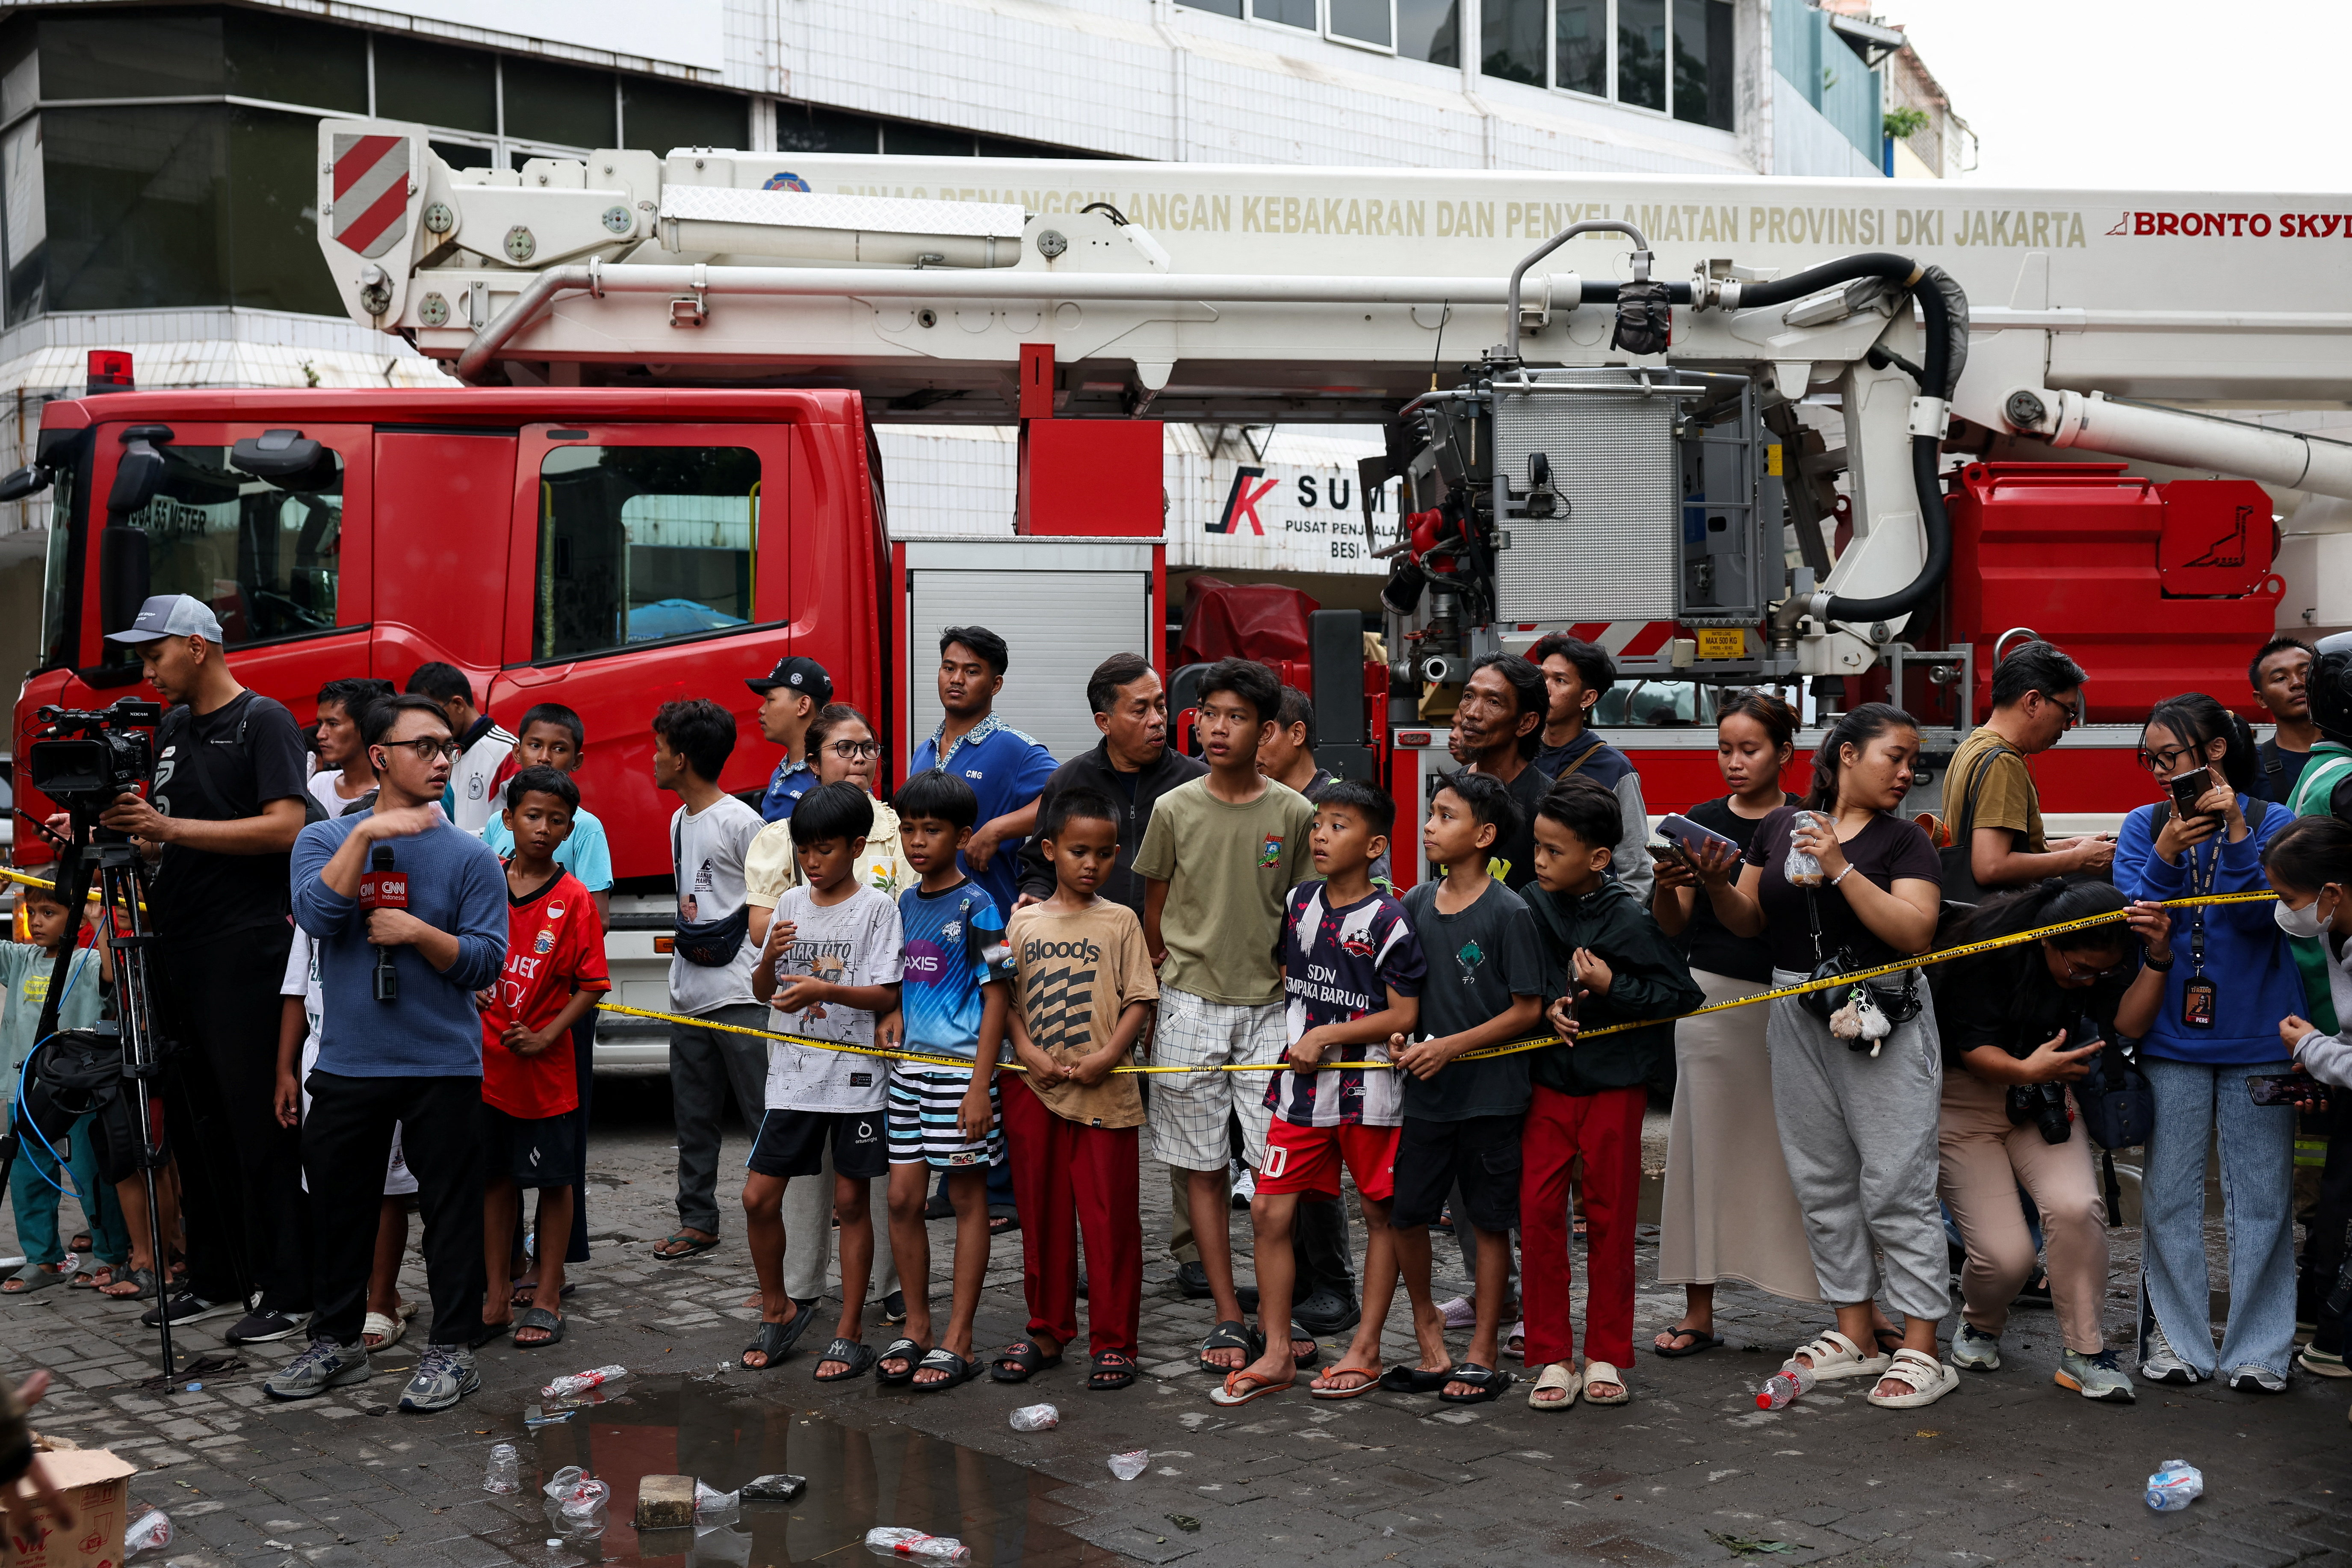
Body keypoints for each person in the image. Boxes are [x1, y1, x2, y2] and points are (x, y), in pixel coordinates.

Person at [1710, 703, 1956, 1410]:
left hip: (1883, 1007)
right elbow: (1752, 920)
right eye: (1896, 756)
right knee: (1820, 1176)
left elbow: (1913, 932)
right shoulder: (1779, 826)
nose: (1908, 771)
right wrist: (1709, 884)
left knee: (1897, 1180)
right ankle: (1854, 1330)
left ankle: (1920, 1346)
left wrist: (1841, 865)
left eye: (1914, 761)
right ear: (1845, 754)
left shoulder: (1907, 841)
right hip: (1795, 1002)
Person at [269, 694, 507, 1412]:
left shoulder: (472, 857)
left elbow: (486, 962)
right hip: (347, 1061)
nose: (442, 759)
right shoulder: (322, 841)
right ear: (380, 757)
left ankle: (452, 1349)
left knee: (451, 1212)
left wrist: (418, 935)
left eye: (447, 748)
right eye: (424, 747)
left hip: (443, 1064)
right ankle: (337, 1342)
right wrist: (366, 832)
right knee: (341, 1212)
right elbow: (316, 915)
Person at [94, 594, 310, 1340]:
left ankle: (289, 1288)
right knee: (194, 1120)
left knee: (259, 1122)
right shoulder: (177, 726)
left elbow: (289, 825)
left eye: (154, 655)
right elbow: (170, 835)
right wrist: (140, 836)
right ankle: (219, 1274)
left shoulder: (264, 719)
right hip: (176, 941)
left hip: (245, 946)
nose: (148, 671)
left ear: (195, 645)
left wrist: (168, 827)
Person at [1013, 654, 1220, 1302]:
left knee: (1186, 1105)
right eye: (1142, 708)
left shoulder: (1194, 779)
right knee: (1083, 1104)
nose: (1159, 719)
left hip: (1180, 970)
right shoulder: (1073, 777)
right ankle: (1077, 1250)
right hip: (1091, 975)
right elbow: (1037, 861)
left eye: (1161, 705)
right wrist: (1032, 897)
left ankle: (1192, 1248)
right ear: (1105, 718)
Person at [1214, 780, 1423, 1406]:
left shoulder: (1391, 918)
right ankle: (1277, 1351)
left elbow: (1404, 1010)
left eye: (1340, 825)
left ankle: (1367, 1347)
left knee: (1380, 1214)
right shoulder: (1300, 899)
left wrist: (1330, 1032)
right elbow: (1293, 974)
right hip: (1300, 1092)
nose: (1323, 835)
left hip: (1370, 1095)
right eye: (1319, 824)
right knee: (1269, 1211)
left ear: (1376, 845)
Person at [1133, 657, 1315, 1374]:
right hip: (1189, 1005)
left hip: (1274, 1011)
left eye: (1235, 716)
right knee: (1203, 1171)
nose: (1216, 727)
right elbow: (1157, 904)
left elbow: (1304, 912)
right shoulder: (1174, 809)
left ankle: (1278, 1319)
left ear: (1267, 730)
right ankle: (1229, 1316)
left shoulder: (1293, 814)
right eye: (1209, 712)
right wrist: (1161, 982)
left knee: (1274, 1181)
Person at [2114, 692, 2300, 1391]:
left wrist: (2237, 835)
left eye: (2172, 756)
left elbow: (2265, 922)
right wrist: (2164, 852)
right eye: (2152, 760)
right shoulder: (2144, 824)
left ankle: (2261, 1351)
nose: (2163, 774)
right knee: (2169, 1194)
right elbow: (2134, 912)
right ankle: (2176, 1343)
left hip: (2261, 1036)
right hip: (2171, 1037)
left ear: (2215, 750)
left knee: (2262, 1199)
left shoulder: (2274, 822)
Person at [1934, 877, 2171, 1404]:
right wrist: (2025, 1067)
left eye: (2103, 971)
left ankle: (2084, 1352)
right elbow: (1974, 1051)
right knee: (2006, 1258)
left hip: (2043, 1102)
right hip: (1967, 1101)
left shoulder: (2105, 960)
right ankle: (1980, 1321)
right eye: (2079, 969)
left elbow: (2127, 1022)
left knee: (2075, 1206)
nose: (2090, 981)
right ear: (2047, 941)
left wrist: (2157, 958)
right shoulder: (1985, 956)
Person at [1645, 690, 1820, 1355]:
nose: (1735, 762)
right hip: (1712, 1000)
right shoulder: (1699, 820)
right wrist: (1667, 881)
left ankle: (1852, 1304)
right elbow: (1673, 923)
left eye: (1750, 749)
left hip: (1792, 997)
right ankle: (1698, 1311)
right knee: (1701, 1150)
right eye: (1725, 749)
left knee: (1815, 1154)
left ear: (1785, 753)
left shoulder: (1807, 822)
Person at [1518, 775, 1702, 1410]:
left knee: (1611, 1219)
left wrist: (1614, 982)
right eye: (1537, 847)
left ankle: (1604, 1354)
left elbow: (1682, 995)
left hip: (1614, 1088)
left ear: (1598, 857)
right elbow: (1516, 981)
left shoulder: (1627, 914)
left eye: (1554, 851)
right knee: (1539, 1218)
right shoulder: (1527, 901)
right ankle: (1548, 1353)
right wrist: (1546, 1007)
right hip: (1546, 1082)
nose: (1540, 861)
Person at [741, 703, 908, 1321]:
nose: (813, 861)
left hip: (856, 1076)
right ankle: (783, 1301)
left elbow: (886, 988)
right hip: (792, 1075)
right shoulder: (787, 897)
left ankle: (852, 1320)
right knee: (762, 1195)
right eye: (805, 851)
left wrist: (823, 990)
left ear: (856, 847)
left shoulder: (877, 901)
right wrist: (771, 961)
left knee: (856, 1198)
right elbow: (763, 986)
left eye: (825, 850)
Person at [1385, 771, 1546, 1405]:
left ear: (1483, 835)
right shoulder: (1417, 902)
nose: (1429, 825)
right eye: (1430, 814)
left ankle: (1482, 1350)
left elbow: (1527, 1008)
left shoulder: (1511, 911)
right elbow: (1410, 995)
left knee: (1486, 1223)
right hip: (1426, 1098)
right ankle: (1429, 1326)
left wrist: (1450, 1046)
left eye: (1445, 816)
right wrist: (1405, 1039)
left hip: (1490, 1097)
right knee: (1407, 1214)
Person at [996, 788, 1159, 1392]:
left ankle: (1115, 1340)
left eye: (1104, 853)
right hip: (1033, 1089)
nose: (1091, 864)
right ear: (1050, 849)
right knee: (1040, 1217)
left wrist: (1110, 1055)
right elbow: (1003, 1000)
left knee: (1110, 1220)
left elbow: (1140, 997)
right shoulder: (1023, 920)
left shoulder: (1122, 920)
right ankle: (1047, 1327)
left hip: (1104, 1093)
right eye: (1077, 851)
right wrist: (1027, 1050)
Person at [876, 769, 1011, 1392]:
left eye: (931, 830)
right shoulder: (905, 902)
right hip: (906, 1076)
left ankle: (959, 1335)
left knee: (965, 1199)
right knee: (903, 1199)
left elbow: (998, 994)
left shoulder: (978, 903)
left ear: (961, 835)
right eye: (908, 828)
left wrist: (981, 1084)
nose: (917, 841)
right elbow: (901, 977)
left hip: (960, 1079)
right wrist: (893, 1011)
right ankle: (919, 1325)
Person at [1244, 683, 1371, 1336]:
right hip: (1285, 1004)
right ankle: (1286, 1278)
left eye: (1259, 728)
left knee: (1332, 1170)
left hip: (1341, 1035)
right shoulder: (1264, 803)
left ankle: (1335, 1283)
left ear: (1292, 733)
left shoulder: (1331, 799)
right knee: (1278, 1164)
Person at [478, 701, 610, 1300]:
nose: (542, 827)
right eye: (531, 815)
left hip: (548, 1063)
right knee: (495, 1177)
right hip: (488, 1065)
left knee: (555, 1179)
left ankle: (549, 1289)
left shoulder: (575, 897)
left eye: (556, 820)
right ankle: (496, 1292)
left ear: (568, 828)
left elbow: (591, 982)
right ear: (508, 818)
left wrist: (548, 1034)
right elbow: (465, 951)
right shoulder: (482, 882)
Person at [651, 699, 769, 1264]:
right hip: (689, 992)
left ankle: (780, 1226)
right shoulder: (679, 819)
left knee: (763, 1118)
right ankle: (697, 1218)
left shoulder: (742, 822)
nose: (653, 758)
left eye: (658, 747)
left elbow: (772, 901)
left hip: (741, 993)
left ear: (680, 758)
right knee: (692, 1117)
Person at [275, 917, 418, 1352]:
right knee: (330, 1184)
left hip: (383, 1053)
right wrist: (284, 1069)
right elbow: (297, 992)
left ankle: (382, 1301)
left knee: (387, 1188)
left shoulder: (391, 901)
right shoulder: (315, 906)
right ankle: (347, 1299)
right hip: (322, 1057)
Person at [2, 885, 125, 1298]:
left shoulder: (86, 961)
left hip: (78, 1089)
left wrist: (97, 917)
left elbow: (113, 972)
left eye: (49, 912)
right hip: (24, 1089)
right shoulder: (20, 959)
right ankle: (44, 1259)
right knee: (27, 1179)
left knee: (92, 1176)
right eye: (32, 911)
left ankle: (110, 1253)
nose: (36, 921)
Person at [2265, 815, 2352, 1385]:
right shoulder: (2333, 928)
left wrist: (2314, 1047)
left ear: (2332, 892)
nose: (2282, 909)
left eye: (2287, 896)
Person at [907, 626, 1057, 919]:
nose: (956, 679)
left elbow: (1070, 799)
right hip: (928, 922)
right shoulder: (923, 752)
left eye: (972, 671)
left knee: (996, 968)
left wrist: (996, 830)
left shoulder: (1015, 748)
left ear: (996, 684)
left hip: (993, 923)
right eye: (948, 668)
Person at [1942, 640, 2113, 896]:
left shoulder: (1973, 746)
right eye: (2068, 711)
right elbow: (1991, 866)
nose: (2068, 726)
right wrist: (2078, 860)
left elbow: (2000, 850)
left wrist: (2069, 847)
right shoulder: (2002, 761)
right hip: (2001, 923)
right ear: (2033, 702)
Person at [1527, 633, 1652, 906]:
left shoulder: (1614, 768)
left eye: (1560, 681)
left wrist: (1608, 934)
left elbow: (1636, 871)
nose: (1544, 688)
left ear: (1588, 697)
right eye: (1542, 676)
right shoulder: (1516, 755)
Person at [1259, 683, 1391, 891]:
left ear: (1297, 734)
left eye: (1263, 734)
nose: (1251, 744)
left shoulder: (1350, 805)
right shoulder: (1262, 804)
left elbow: (1377, 894)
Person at [1449, 654, 1555, 893]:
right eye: (1469, 696)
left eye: (1493, 702)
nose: (1472, 713)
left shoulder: (1546, 801)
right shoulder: (1448, 791)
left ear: (1526, 723)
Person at [406, 662, 516, 836]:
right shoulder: (438, 751)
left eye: (433, 713)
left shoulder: (509, 753)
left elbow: (527, 824)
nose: (425, 723)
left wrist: (465, 841)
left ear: (458, 704)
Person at [750, 655, 835, 822]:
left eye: (770, 700)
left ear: (803, 706)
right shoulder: (785, 768)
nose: (761, 709)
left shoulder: (835, 774)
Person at [307, 678, 396, 818]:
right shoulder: (319, 784)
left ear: (365, 727)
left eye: (333, 724)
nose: (320, 735)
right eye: (320, 724)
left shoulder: (398, 794)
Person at [2249, 636, 2318, 805]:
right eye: (2281, 678)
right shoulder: (2251, 770)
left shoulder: (2347, 750)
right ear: (2261, 699)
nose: (2297, 683)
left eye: (2305, 673)